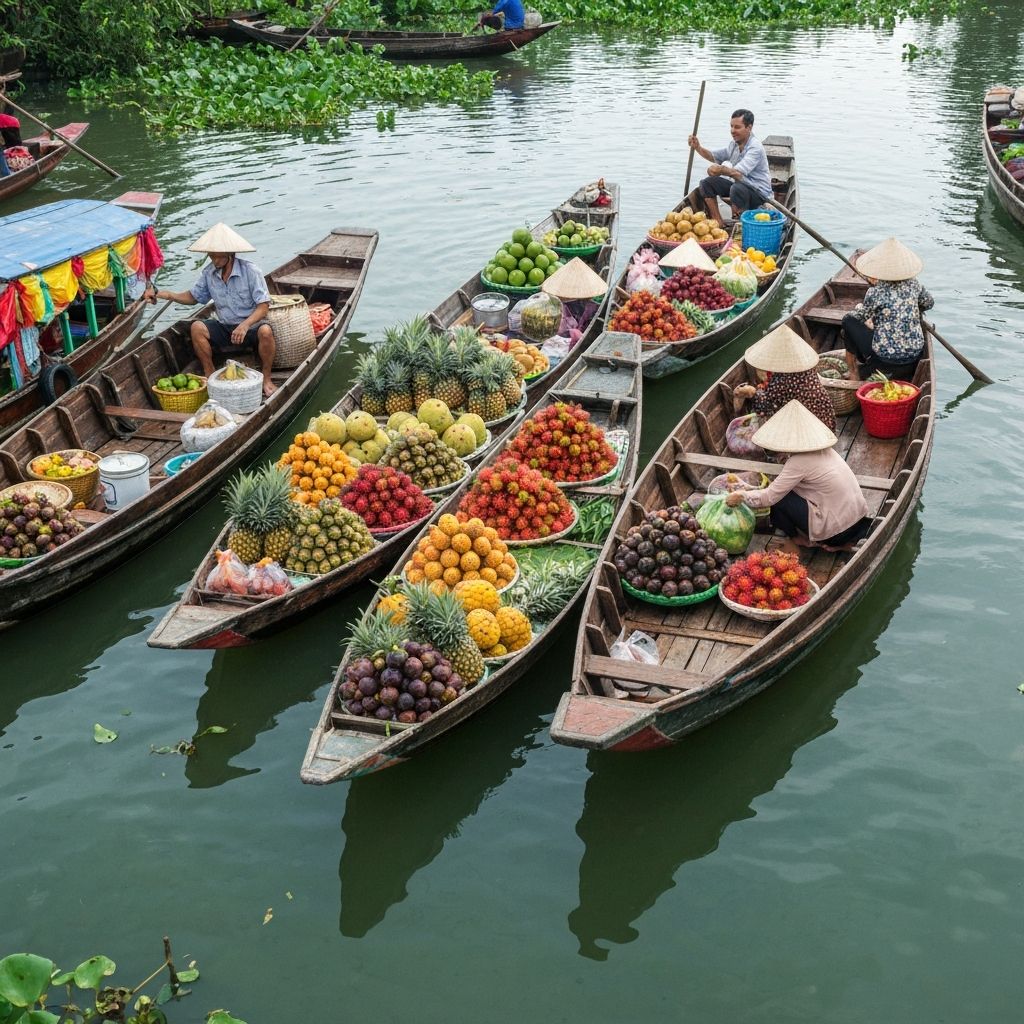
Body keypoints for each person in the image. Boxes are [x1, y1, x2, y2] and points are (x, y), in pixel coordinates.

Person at [147, 223, 277, 397]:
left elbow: (263, 307)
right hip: (225, 327)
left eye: (219, 257)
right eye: (212, 256)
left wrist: (245, 325)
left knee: (266, 331)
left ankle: (266, 379)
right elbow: (193, 297)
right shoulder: (209, 273)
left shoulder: (251, 271)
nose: (215, 261)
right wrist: (163, 294)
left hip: (250, 327)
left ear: (230, 254)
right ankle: (210, 375)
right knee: (197, 328)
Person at [724, 400, 870, 554]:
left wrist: (741, 495)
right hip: (859, 519)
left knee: (779, 499)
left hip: (837, 533)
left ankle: (799, 539)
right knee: (784, 491)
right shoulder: (826, 450)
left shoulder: (798, 462)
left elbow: (768, 497)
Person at [841, 237, 933, 380]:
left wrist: (859, 309)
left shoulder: (875, 292)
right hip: (915, 354)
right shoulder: (915, 284)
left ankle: (854, 372)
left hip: (885, 359)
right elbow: (928, 303)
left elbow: (859, 318)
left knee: (848, 321)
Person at [733, 323, 836, 431]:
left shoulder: (783, 380)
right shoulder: (802, 364)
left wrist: (752, 392)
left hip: (813, 429)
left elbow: (764, 406)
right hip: (826, 421)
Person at [687, 109, 773, 224]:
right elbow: (714, 156)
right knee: (706, 183)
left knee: (737, 188)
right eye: (731, 126)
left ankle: (743, 223)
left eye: (737, 127)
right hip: (740, 188)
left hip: (759, 194)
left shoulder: (755, 147)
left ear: (749, 128)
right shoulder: (734, 144)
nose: (732, 131)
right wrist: (698, 148)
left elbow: (737, 173)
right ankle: (718, 223)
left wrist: (720, 169)